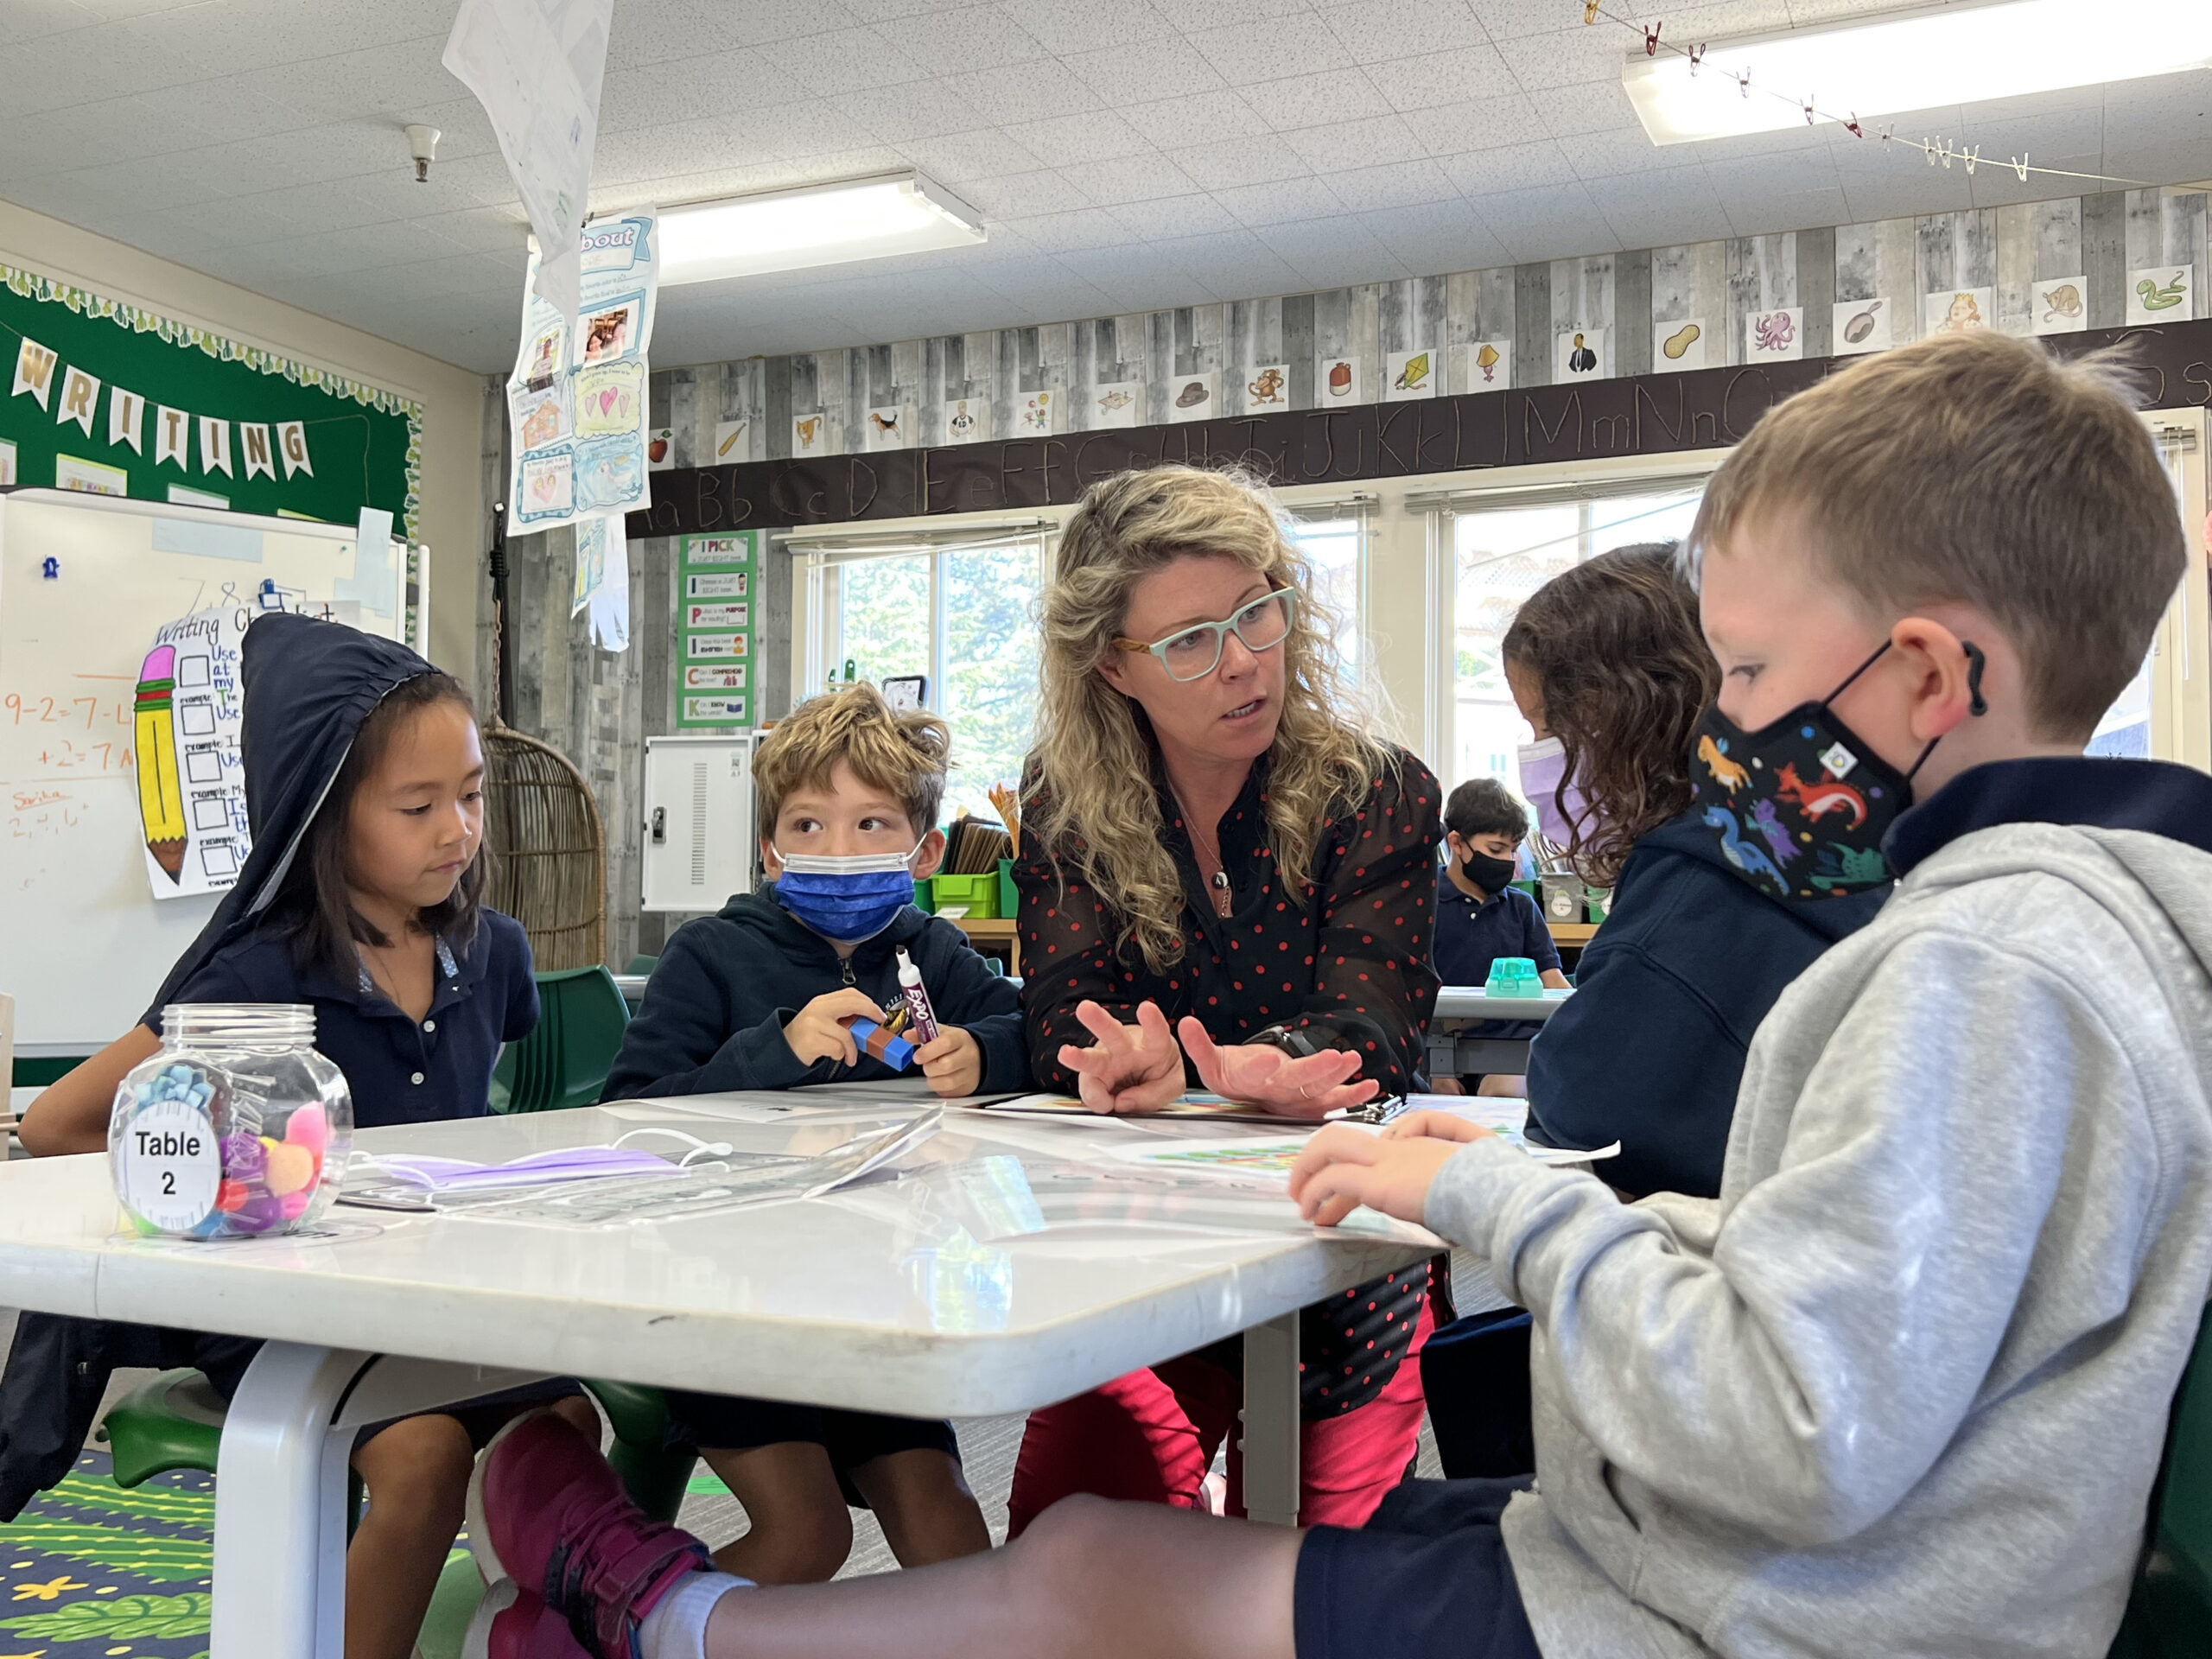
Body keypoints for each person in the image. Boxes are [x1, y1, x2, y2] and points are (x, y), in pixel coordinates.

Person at [457, 333, 2212, 1659]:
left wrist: (1490, 1193)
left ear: (1920, 671)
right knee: (1095, 1540)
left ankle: (659, 1615)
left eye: (1744, 673)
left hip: (1752, 1610)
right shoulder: (2068, 932)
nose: (1721, 726)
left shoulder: (1980, 968)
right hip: (1758, 1579)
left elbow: (1800, 1428)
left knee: (1091, 1578)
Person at [2, 613, 597, 1659]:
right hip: (289, 1308)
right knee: (417, 1460)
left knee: (566, 1423)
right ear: (320, 814)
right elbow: (57, 1122)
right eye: (418, 807)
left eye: (469, 796)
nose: (457, 831)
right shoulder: (258, 975)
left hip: (443, 1294)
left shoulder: (490, 951)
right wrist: (214, 1191)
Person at [998, 463, 1444, 1534]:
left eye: (1258, 613)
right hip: (1143, 1245)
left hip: (1343, 1235)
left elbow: (1372, 1026)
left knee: (1307, 1583)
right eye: (1190, 641)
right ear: (1113, 667)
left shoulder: (1377, 790)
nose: (1244, 661)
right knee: (1070, 1540)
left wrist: (1249, 1065)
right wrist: (1106, 1057)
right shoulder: (1065, 803)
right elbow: (1062, 1014)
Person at [599, 683, 1009, 1582]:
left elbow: (1035, 1035)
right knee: (807, 1535)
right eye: (809, 825)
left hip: (873, 1305)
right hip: (729, 1303)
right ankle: (604, 1620)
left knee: (949, 1525)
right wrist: (771, 1050)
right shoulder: (709, 954)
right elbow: (632, 1115)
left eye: (872, 826)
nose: (839, 849)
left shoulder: (931, 955)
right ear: (770, 850)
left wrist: (981, 1051)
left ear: (925, 849)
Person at [1503, 542, 1891, 1199]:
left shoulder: (1694, 891)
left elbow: (1585, 1106)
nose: (1537, 758)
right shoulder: (1818, 843)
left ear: (1615, 716)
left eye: (1545, 726)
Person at [1429, 777, 1567, 1096]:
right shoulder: (1423, 905)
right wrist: (1436, 1066)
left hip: (1512, 1050)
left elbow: (1555, 986)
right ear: (1457, 842)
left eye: (1514, 850)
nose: (1507, 861)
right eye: (1496, 849)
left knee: (1504, 1091)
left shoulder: (1522, 908)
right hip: (1437, 1047)